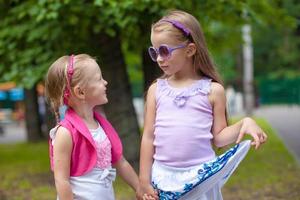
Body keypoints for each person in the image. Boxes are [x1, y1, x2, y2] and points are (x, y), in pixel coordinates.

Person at [138, 10, 267, 200]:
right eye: (154, 52)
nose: (158, 58)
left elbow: (219, 138)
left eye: (164, 51)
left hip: (201, 178)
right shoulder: (156, 90)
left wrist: (244, 123)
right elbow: (148, 137)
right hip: (163, 178)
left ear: (190, 50)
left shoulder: (213, 91)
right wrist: (143, 180)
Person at [45, 54, 139, 199]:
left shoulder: (101, 125)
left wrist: (139, 188)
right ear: (80, 92)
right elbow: (61, 180)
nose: (105, 82)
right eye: (99, 79)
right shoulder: (65, 132)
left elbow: (120, 161)